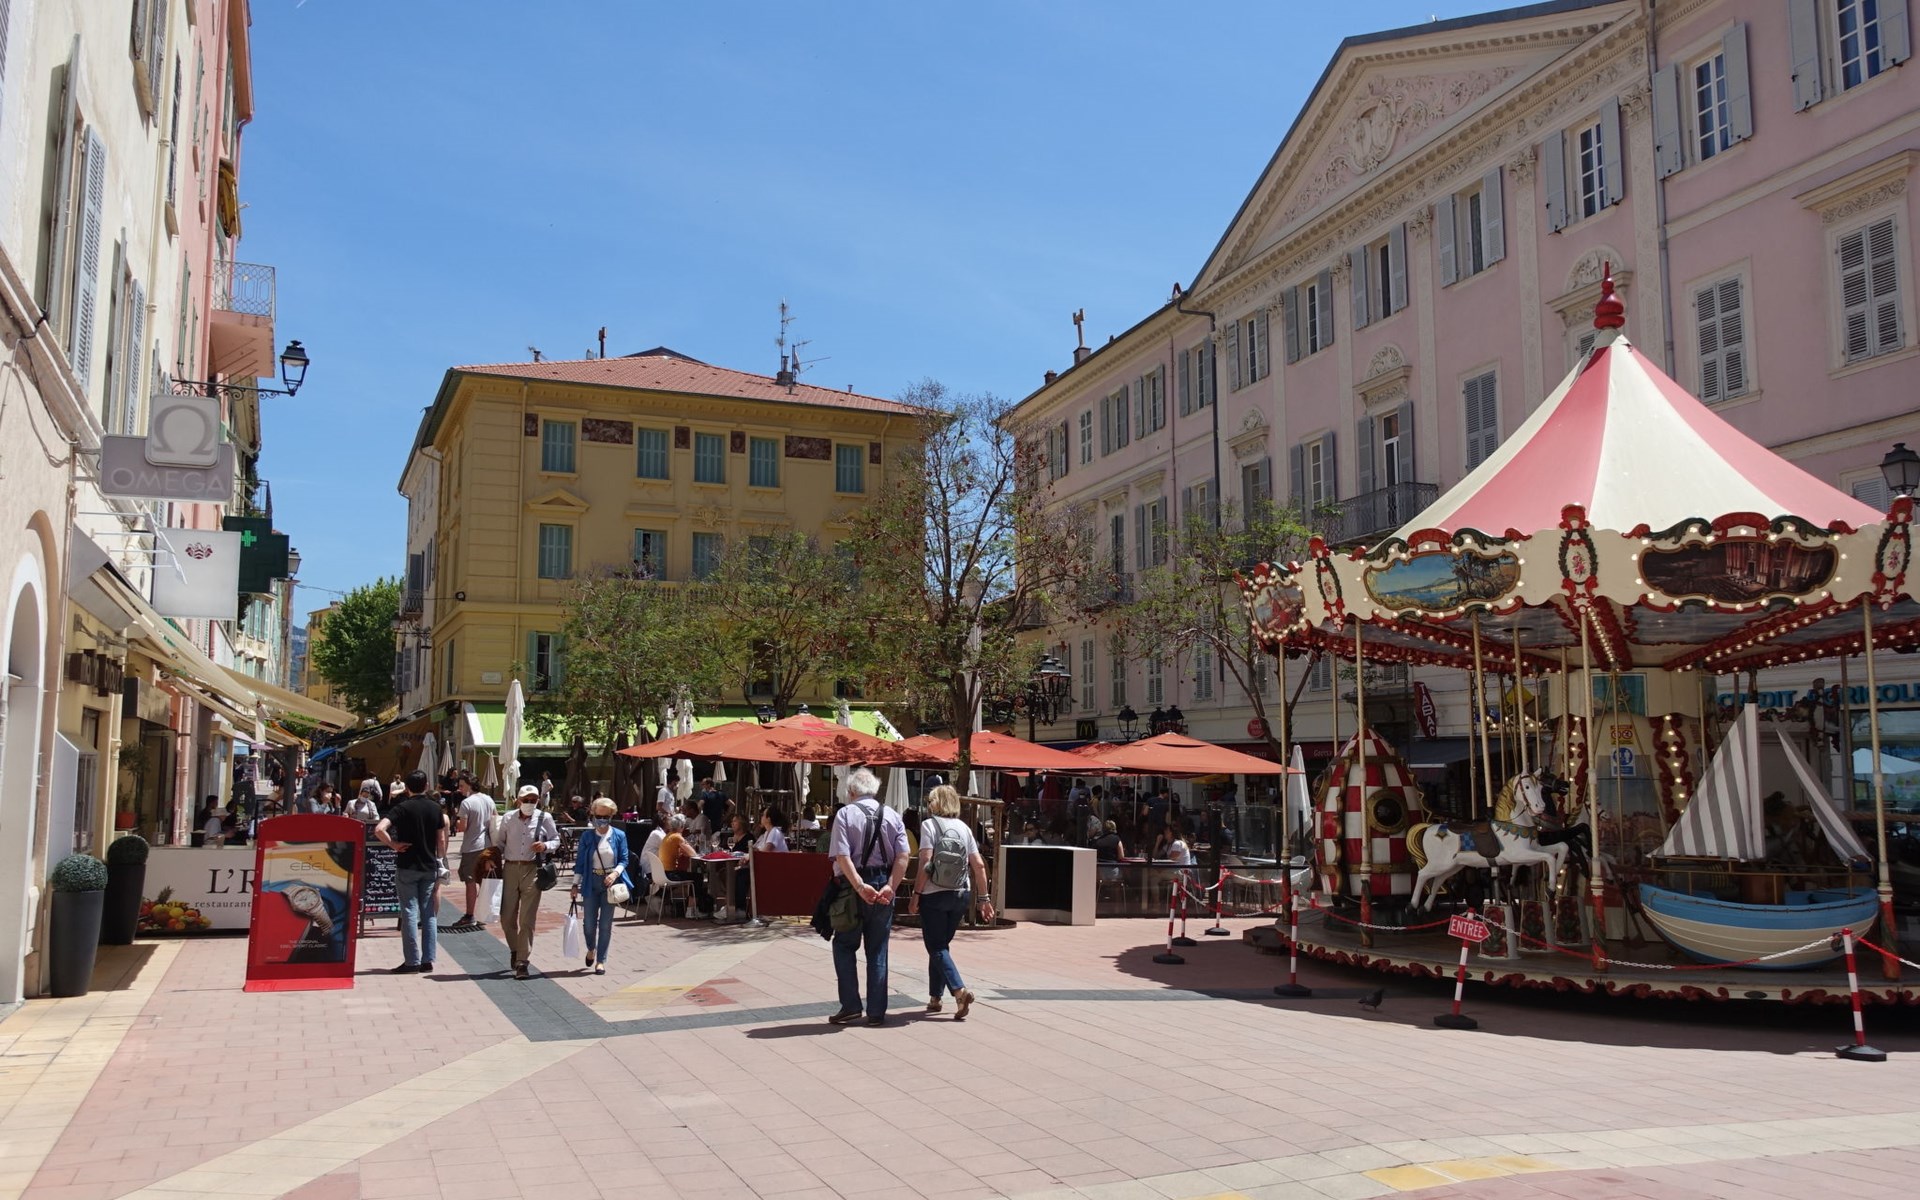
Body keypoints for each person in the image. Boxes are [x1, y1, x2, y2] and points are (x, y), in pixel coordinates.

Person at [827, 767, 909, 1027]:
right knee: (878, 949)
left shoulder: (844, 814)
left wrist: (860, 886)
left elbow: (843, 856)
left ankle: (851, 1006)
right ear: (875, 790)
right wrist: (891, 886)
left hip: (852, 887)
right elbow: (903, 856)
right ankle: (876, 1012)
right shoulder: (893, 815)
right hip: (884, 883)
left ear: (852, 791)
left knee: (844, 945)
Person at [910, 785, 994, 1020]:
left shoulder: (929, 825)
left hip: (934, 895)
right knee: (941, 947)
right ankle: (935, 997)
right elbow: (979, 865)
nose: (928, 805)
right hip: (960, 895)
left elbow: (925, 862)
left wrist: (916, 894)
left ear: (936, 804)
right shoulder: (964, 828)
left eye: (930, 801)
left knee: (936, 947)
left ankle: (959, 991)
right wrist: (984, 899)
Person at [374, 770, 448, 975]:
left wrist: (393, 844)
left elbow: (379, 829)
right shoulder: (435, 808)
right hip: (429, 865)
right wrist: (440, 860)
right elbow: (441, 840)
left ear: (406, 788)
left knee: (409, 911)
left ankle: (412, 961)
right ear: (426, 786)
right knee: (429, 913)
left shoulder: (402, 808)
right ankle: (428, 959)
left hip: (407, 865)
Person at [498, 784, 559, 979]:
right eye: (526, 800)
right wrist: (491, 858)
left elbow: (556, 839)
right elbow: (500, 843)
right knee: (507, 916)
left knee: (527, 918)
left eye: (533, 800)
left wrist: (545, 845)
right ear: (518, 800)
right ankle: (515, 949)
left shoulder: (544, 818)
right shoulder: (508, 818)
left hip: (532, 869)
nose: (530, 803)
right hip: (510, 868)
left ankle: (522, 961)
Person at [570, 798, 631, 974]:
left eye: (606, 817)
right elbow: (580, 863)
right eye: (598, 816)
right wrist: (574, 885)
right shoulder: (587, 836)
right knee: (589, 924)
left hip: (610, 884)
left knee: (605, 924)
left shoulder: (619, 835)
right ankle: (591, 948)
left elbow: (624, 859)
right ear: (593, 815)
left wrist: (614, 874)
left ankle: (601, 960)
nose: (602, 820)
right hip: (591, 882)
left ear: (611, 816)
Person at [449, 771, 497, 929]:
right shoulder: (488, 799)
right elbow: (495, 819)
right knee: (484, 881)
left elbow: (462, 827)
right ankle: (485, 913)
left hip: (472, 846)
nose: (460, 789)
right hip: (488, 845)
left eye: (462, 786)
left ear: (469, 785)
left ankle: (470, 915)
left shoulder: (466, 803)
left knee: (470, 882)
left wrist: (456, 821)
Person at [656, 815, 713, 915]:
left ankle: (691, 908)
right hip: (670, 874)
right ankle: (691, 910)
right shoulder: (677, 837)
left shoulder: (668, 836)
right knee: (697, 877)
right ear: (681, 826)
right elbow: (693, 854)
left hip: (662, 873)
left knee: (692, 875)